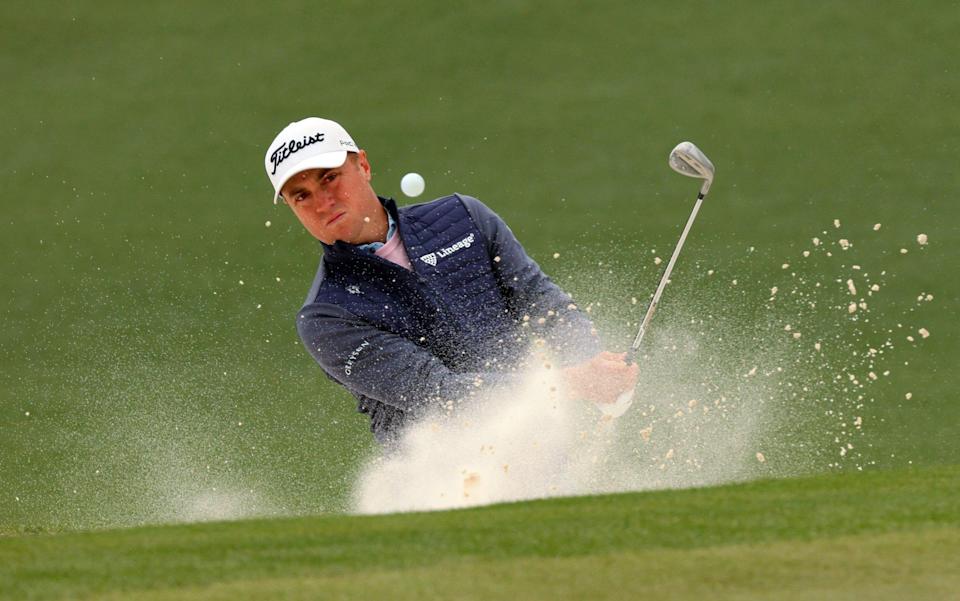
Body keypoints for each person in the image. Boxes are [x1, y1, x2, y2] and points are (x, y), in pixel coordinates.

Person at [264, 117, 638, 445]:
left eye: (330, 178)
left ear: (363, 164)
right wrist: (573, 382)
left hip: (548, 442)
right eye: (301, 195)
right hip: (448, 479)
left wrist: (593, 361)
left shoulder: (463, 217)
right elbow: (441, 394)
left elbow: (543, 303)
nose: (322, 201)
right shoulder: (327, 316)